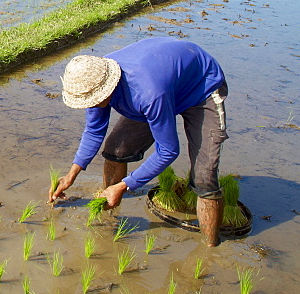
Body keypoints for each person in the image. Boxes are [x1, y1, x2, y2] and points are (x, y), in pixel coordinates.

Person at [49, 37, 229, 246]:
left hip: (201, 87)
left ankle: (210, 249)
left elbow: (168, 151)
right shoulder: (92, 79)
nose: (92, 105)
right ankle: (110, 214)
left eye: (93, 100)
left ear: (108, 88)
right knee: (116, 150)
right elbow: (94, 130)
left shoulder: (148, 93)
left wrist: (126, 185)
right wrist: (71, 175)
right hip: (163, 81)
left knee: (204, 178)